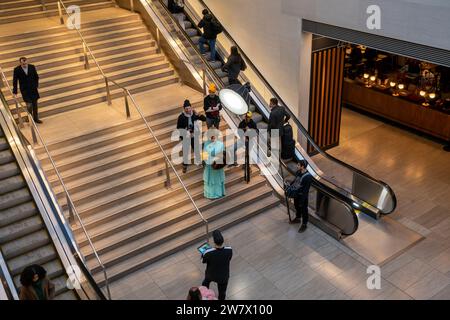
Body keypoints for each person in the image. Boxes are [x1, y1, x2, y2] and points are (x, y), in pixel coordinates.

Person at [201, 230, 232, 300]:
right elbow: (229, 258)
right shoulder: (229, 250)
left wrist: (204, 253)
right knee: (222, 293)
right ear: (223, 240)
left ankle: (204, 296)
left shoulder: (208, 252)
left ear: (214, 241)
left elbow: (203, 261)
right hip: (223, 276)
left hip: (211, 274)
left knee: (205, 284)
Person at [177, 99, 206, 173]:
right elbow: (179, 128)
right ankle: (185, 166)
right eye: (186, 109)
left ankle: (200, 162)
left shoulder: (194, 114)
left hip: (193, 135)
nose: (188, 110)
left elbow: (204, 119)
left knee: (197, 149)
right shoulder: (181, 117)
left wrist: (198, 114)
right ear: (184, 109)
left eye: (189, 108)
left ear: (191, 107)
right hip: (186, 137)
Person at [13, 57, 42, 123]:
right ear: (20, 63)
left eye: (25, 63)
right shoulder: (17, 69)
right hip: (25, 90)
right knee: (29, 105)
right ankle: (30, 118)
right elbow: (15, 81)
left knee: (35, 105)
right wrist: (15, 92)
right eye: (23, 64)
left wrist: (36, 85)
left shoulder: (32, 67)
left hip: (33, 89)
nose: (25, 65)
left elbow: (36, 77)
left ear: (27, 62)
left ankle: (36, 119)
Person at [290, 160, 313, 233]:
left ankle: (304, 224)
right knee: (296, 206)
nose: (297, 166)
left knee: (304, 210)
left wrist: (302, 200)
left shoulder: (308, 177)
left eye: (298, 165)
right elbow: (295, 181)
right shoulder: (298, 172)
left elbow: (306, 190)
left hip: (303, 196)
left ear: (302, 166)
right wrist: (290, 186)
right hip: (296, 194)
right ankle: (298, 218)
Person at [203, 128, 225, 199]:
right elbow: (204, 155)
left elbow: (223, 154)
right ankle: (210, 195)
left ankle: (219, 193)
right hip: (209, 166)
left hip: (217, 166)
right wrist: (209, 160)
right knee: (210, 182)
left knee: (217, 181)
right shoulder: (206, 144)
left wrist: (218, 159)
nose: (213, 139)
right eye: (212, 137)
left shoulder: (221, 144)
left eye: (214, 137)